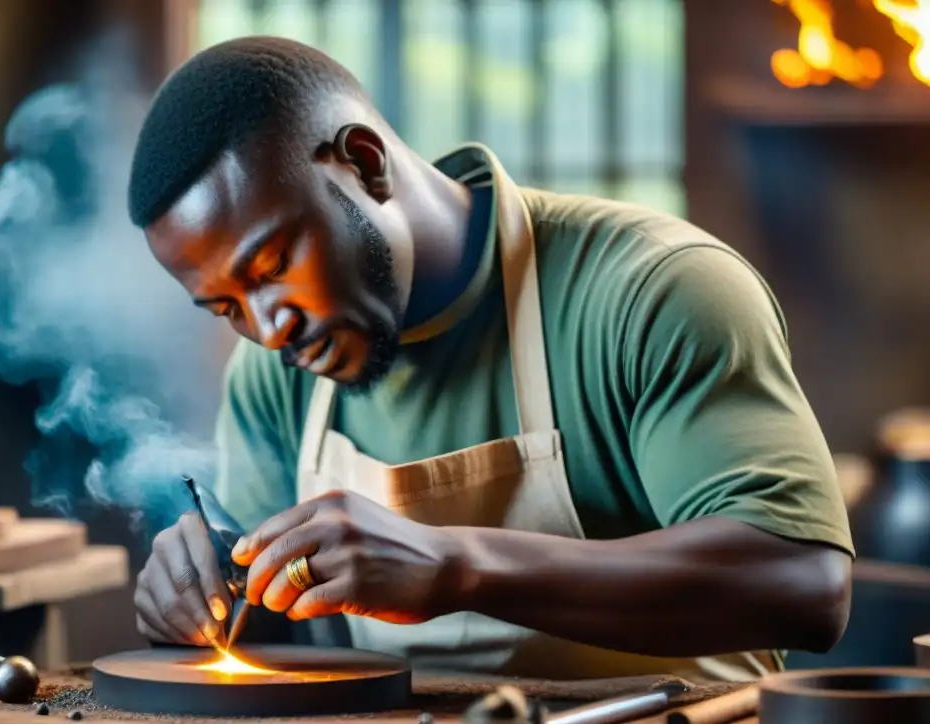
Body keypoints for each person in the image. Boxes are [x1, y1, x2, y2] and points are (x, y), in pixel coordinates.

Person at [128, 37, 853, 682]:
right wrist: (202, 601)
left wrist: (458, 567)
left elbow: (803, 583)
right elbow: (283, 635)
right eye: (226, 307)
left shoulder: (652, 291)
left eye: (273, 264)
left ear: (364, 164)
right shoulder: (273, 378)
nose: (267, 327)